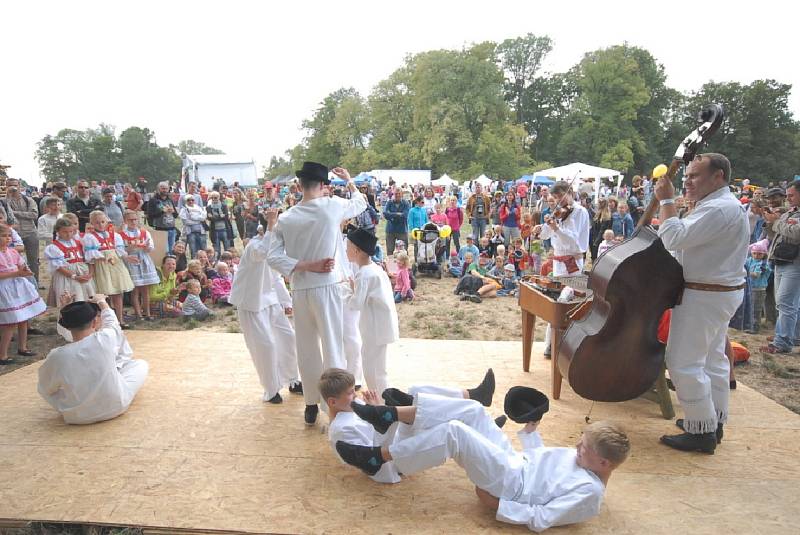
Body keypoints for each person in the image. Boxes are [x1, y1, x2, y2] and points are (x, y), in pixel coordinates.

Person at [337, 410, 629, 533]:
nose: (577, 445)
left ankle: (381, 458)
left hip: (511, 483)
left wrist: (498, 505)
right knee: (473, 410)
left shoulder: (589, 494)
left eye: (585, 447)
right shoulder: (586, 461)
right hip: (516, 462)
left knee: (455, 433)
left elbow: (542, 518)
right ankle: (397, 411)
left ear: (604, 463)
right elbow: (548, 467)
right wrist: (530, 433)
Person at [655, 153, 749, 453]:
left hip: (705, 295)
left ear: (718, 176)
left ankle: (702, 431)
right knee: (712, 360)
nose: (687, 181)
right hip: (716, 292)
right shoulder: (719, 205)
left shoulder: (720, 209)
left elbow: (672, 237)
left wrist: (666, 201)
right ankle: (712, 420)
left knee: (683, 361)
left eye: (694, 176)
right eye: (687, 176)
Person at [267, 162, 367, 425]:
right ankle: (335, 405)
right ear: (323, 186)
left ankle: (311, 403)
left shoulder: (287, 218)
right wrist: (349, 180)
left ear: (299, 185)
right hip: (327, 288)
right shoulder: (331, 206)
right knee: (333, 345)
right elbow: (361, 202)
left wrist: (303, 266)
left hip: (301, 288)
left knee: (307, 347)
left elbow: (273, 256)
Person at [323, 367, 499, 484]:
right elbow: (371, 459)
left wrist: (376, 409)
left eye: (354, 389)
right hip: (393, 461)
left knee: (416, 391)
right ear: (332, 401)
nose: (355, 395)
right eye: (349, 393)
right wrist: (382, 416)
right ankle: (476, 427)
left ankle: (474, 398)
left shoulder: (353, 406)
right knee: (448, 430)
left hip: (396, 436)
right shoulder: (341, 431)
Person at [37, 295, 148, 424]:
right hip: (115, 407)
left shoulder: (56, 356)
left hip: (76, 416)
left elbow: (45, 389)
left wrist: (65, 309)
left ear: (67, 326)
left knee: (50, 386)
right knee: (140, 365)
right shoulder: (105, 339)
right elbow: (112, 323)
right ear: (95, 322)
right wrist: (101, 301)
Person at [230, 211, 301, 403]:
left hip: (270, 301)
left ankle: (293, 380)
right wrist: (271, 223)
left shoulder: (274, 246)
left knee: (288, 337)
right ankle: (271, 390)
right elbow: (263, 253)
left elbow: (276, 277)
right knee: (266, 346)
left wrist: (286, 302)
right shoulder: (254, 246)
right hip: (251, 303)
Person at [345, 228, 399, 396]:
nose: (345, 250)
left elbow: (356, 304)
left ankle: (380, 402)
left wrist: (345, 291)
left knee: (371, 367)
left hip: (374, 328)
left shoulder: (364, 274)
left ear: (357, 250)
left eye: (347, 247)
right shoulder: (376, 269)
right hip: (382, 325)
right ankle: (383, 400)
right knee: (379, 368)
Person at [762, 180, 800, 353]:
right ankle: (789, 334)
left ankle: (783, 342)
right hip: (782, 260)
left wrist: (777, 222)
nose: (788, 198)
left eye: (791, 195)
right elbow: (775, 234)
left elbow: (796, 233)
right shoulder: (791, 212)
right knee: (787, 303)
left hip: (795, 262)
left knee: (786, 303)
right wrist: (770, 222)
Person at [0, 223, 45, 363]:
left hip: (18, 287)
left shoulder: (12, 252)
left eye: (9, 236)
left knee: (24, 318)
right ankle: (3, 354)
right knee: (10, 322)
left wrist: (24, 271)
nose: (7, 239)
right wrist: (16, 273)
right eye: (3, 236)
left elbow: (20, 265)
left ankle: (23, 347)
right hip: (5, 288)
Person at [82, 211, 135, 327]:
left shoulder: (114, 235)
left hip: (115, 264)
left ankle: (120, 319)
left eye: (102, 222)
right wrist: (102, 258)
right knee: (105, 292)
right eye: (97, 223)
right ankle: (107, 321)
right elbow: (90, 255)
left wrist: (126, 256)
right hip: (102, 266)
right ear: (91, 223)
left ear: (107, 222)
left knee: (118, 291)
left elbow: (119, 250)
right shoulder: (90, 237)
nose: (100, 225)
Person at [533, 182, 590, 277]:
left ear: (570, 192)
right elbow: (545, 235)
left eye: (561, 195)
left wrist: (556, 228)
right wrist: (540, 230)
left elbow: (572, 240)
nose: (558, 199)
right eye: (555, 197)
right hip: (557, 261)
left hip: (572, 261)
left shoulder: (580, 211)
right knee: (557, 290)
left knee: (569, 290)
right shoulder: (559, 212)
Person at [44, 218, 95, 307]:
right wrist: (74, 276)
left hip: (83, 276)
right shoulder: (54, 247)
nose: (68, 234)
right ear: (58, 231)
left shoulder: (80, 242)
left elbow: (89, 259)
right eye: (65, 232)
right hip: (67, 278)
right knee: (71, 301)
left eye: (71, 231)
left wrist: (90, 274)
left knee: (85, 299)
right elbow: (59, 267)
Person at [120, 210, 159, 321]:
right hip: (131, 260)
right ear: (125, 221)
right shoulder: (121, 234)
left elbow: (150, 246)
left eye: (135, 219)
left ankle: (147, 313)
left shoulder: (144, 232)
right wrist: (131, 247)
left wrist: (147, 247)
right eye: (130, 220)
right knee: (135, 289)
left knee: (145, 289)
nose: (133, 222)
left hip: (143, 259)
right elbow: (121, 250)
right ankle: (138, 314)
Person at [3, 178, 41, 283]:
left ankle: (35, 282)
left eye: (15, 185)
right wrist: (8, 197)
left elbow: (34, 215)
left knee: (33, 260)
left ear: (20, 186)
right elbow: (5, 216)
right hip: (12, 235)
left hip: (30, 232)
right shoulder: (4, 201)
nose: (13, 188)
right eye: (10, 185)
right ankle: (19, 283)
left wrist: (15, 212)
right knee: (12, 261)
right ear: (6, 186)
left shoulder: (28, 200)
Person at [746, 240, 771, 334]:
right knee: (750, 307)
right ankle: (750, 325)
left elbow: (756, 275)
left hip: (759, 289)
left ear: (764, 254)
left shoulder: (764, 265)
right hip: (750, 288)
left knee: (756, 309)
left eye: (759, 254)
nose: (756, 256)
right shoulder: (750, 260)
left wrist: (745, 273)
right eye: (754, 253)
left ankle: (755, 327)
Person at [146, 181, 178, 254]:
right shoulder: (153, 200)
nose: (164, 190)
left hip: (172, 229)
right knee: (164, 252)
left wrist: (173, 211)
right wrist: (162, 211)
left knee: (171, 251)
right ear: (158, 189)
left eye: (166, 188)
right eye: (162, 188)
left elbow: (176, 215)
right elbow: (150, 215)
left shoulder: (170, 200)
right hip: (160, 229)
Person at [205, 191, 233, 258]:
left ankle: (228, 262)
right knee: (217, 250)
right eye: (212, 198)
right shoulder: (209, 207)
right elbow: (209, 218)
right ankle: (217, 262)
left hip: (224, 229)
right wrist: (220, 216)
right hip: (215, 231)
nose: (214, 199)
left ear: (219, 197)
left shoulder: (224, 205)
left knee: (227, 248)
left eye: (216, 197)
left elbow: (226, 217)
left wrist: (214, 217)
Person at [383, 189, 410, 256]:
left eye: (399, 193)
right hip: (390, 230)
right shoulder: (389, 202)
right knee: (390, 251)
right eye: (396, 194)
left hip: (402, 230)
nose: (397, 195)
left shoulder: (406, 203)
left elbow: (405, 215)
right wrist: (398, 214)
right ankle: (391, 265)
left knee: (404, 250)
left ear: (402, 194)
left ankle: (404, 265)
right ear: (393, 194)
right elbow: (385, 213)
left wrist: (391, 215)